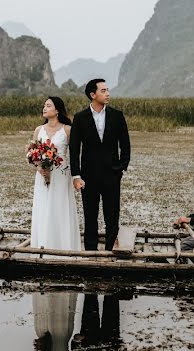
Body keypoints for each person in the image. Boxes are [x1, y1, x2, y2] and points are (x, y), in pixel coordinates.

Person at [69, 79, 131, 252]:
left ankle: (111, 250)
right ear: (92, 94)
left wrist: (121, 168)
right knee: (90, 215)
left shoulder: (117, 115)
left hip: (112, 174)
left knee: (112, 215)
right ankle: (90, 251)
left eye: (107, 90)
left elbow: (125, 145)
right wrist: (76, 175)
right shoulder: (80, 118)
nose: (108, 93)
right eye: (103, 90)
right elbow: (74, 149)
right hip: (88, 176)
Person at [30, 96, 81, 251]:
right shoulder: (39, 130)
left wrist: (76, 177)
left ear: (57, 110)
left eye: (48, 105)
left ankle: (64, 247)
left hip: (61, 175)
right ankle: (42, 246)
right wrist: (39, 167)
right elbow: (33, 153)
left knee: (60, 208)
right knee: (43, 209)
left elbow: (75, 156)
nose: (44, 108)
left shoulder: (67, 130)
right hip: (42, 175)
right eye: (44, 106)